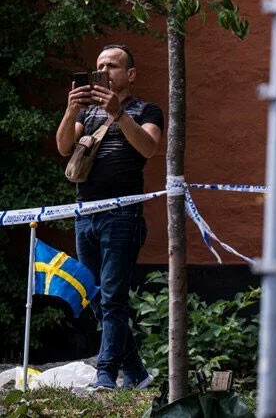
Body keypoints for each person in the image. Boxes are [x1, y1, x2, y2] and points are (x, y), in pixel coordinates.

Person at [56, 44, 164, 391]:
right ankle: (137, 373)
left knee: (114, 295)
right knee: (97, 295)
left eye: (113, 66)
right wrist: (70, 109)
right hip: (85, 214)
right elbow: (62, 148)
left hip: (122, 215)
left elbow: (148, 148)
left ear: (129, 74)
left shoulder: (146, 109)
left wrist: (118, 114)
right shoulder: (86, 114)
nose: (104, 71)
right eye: (100, 65)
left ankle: (106, 375)